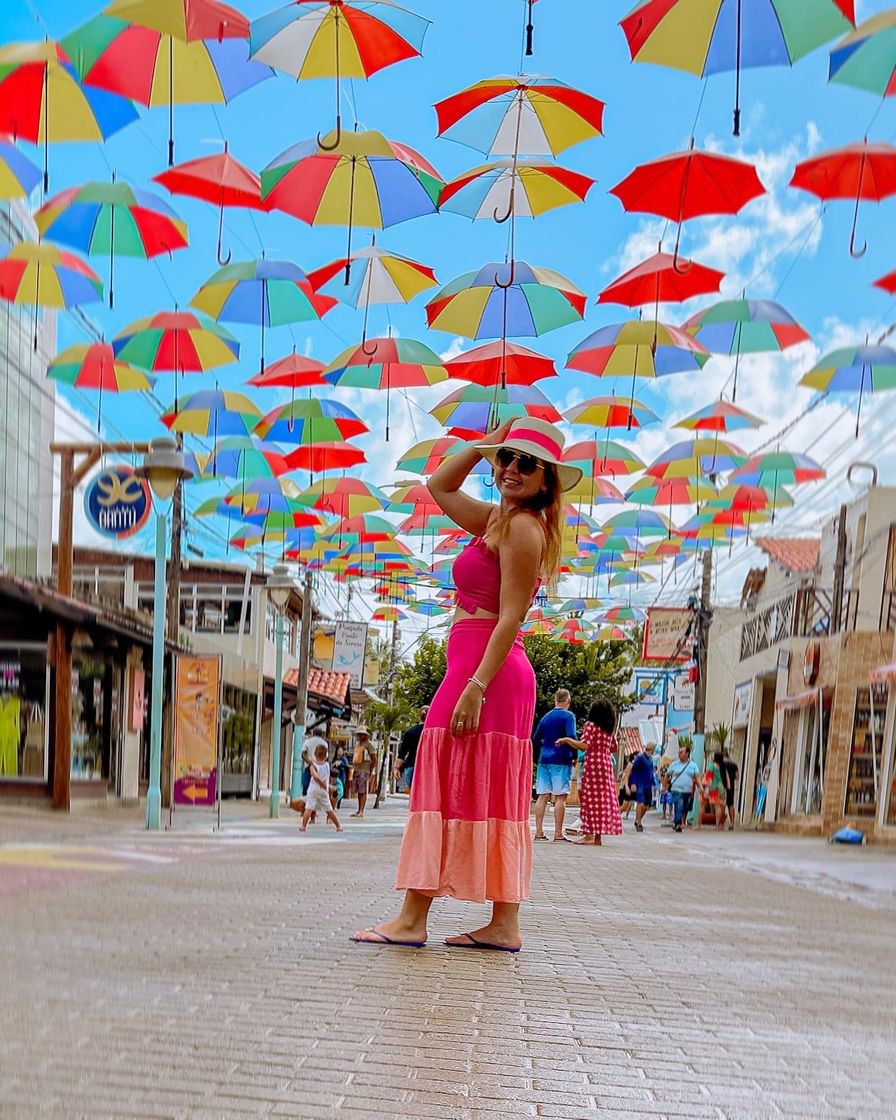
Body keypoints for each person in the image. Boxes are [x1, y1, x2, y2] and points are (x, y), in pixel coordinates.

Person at [352, 417, 578, 952]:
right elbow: (438, 487)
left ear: (546, 479)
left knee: (450, 775)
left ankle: (415, 918)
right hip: (479, 666)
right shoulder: (499, 519)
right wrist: (484, 445)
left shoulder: (522, 529)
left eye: (528, 463)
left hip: (488, 670)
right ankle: (502, 923)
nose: (513, 469)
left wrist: (476, 685)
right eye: (508, 459)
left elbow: (511, 617)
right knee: (476, 781)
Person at [557, 699, 622, 847]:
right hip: (606, 764)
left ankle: (588, 835)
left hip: (593, 765)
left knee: (589, 800)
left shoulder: (590, 726)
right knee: (601, 801)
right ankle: (597, 838)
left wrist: (567, 740)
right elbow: (614, 748)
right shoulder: (608, 729)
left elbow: (584, 745)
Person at [532, 688, 577, 842]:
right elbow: (571, 736)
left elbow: (535, 738)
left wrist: (538, 756)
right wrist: (574, 755)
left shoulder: (546, 717)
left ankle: (539, 832)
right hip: (562, 759)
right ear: (568, 701)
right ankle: (558, 833)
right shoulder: (569, 716)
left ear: (555, 700)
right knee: (560, 797)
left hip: (544, 759)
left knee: (542, 795)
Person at [300, 741, 343, 833]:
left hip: (313, 789)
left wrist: (320, 783)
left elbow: (315, 776)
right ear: (326, 756)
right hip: (324, 791)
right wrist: (324, 785)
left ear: (315, 755)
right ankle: (338, 826)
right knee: (329, 809)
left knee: (309, 808)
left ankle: (303, 826)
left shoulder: (313, 766)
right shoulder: (327, 765)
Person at [666, 744, 701, 833]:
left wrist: (700, 787)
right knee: (679, 806)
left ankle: (677, 821)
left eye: (681, 752)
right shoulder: (674, 764)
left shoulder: (693, 765)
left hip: (688, 791)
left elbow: (697, 777)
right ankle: (677, 823)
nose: (679, 754)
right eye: (679, 752)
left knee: (684, 808)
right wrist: (665, 786)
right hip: (676, 789)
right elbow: (667, 775)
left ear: (687, 753)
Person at [395, 707, 429, 793]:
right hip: (428, 766)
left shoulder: (410, 732)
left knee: (411, 793)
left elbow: (402, 753)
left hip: (411, 765)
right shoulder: (432, 732)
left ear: (419, 717)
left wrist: (396, 768)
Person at [622, 745, 655, 833]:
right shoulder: (640, 758)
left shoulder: (651, 760)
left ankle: (637, 819)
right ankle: (639, 823)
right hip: (640, 784)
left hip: (648, 784)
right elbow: (634, 771)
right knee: (640, 803)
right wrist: (633, 783)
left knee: (647, 805)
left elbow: (651, 772)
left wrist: (653, 782)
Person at [350, 727, 377, 818]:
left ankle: (361, 810)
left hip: (364, 770)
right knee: (358, 791)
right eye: (359, 734)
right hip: (357, 769)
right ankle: (359, 810)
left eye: (362, 734)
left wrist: (371, 769)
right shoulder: (358, 745)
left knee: (363, 791)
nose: (360, 736)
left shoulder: (369, 745)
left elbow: (374, 758)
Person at [699, 750, 727, 830]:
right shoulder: (722, 766)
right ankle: (718, 825)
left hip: (712, 787)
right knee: (718, 806)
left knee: (703, 805)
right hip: (720, 787)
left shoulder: (711, 766)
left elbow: (708, 777)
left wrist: (705, 787)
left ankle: (699, 825)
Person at [722, 749, 739, 830]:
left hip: (722, 786)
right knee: (730, 805)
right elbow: (737, 777)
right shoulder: (734, 765)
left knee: (721, 805)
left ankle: (720, 824)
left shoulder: (720, 765)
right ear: (728, 756)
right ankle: (732, 823)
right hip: (731, 787)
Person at [331, 744, 349, 808]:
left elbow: (347, 767)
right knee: (334, 790)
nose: (340, 752)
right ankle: (334, 804)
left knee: (340, 791)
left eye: (341, 751)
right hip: (334, 777)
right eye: (339, 751)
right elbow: (331, 766)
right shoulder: (335, 758)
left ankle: (338, 805)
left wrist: (341, 764)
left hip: (341, 777)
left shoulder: (344, 759)